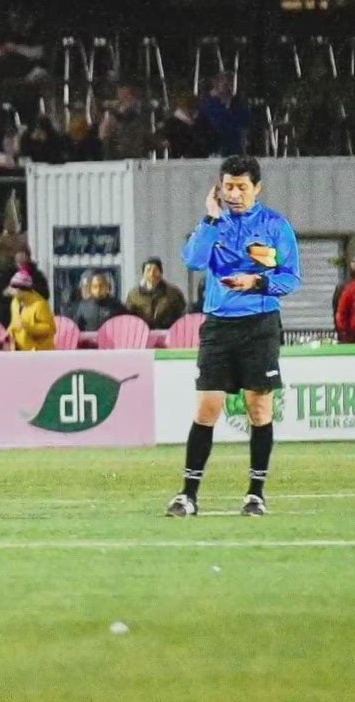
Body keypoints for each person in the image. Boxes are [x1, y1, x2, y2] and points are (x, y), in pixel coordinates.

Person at [169, 155, 299, 518]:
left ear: (257, 188)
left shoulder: (275, 225)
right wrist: (210, 216)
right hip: (218, 326)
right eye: (228, 186)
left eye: (242, 187)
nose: (235, 193)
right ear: (219, 187)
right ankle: (187, 495)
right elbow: (193, 260)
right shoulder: (214, 223)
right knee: (207, 407)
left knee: (259, 408)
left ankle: (255, 494)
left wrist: (256, 281)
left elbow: (291, 278)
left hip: (260, 324)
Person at [198, 73, 254, 156]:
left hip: (233, 148)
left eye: (231, 84)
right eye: (225, 84)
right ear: (215, 84)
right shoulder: (205, 103)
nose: (229, 87)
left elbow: (244, 127)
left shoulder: (237, 105)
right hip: (212, 147)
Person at [126, 258, 188, 330]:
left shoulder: (173, 293)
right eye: (148, 270)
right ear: (143, 273)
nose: (152, 274)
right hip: (142, 334)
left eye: (155, 270)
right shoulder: (134, 295)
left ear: (161, 272)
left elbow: (181, 314)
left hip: (168, 332)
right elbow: (129, 317)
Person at [98, 84, 151, 160]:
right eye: (120, 89)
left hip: (135, 153)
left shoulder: (141, 110)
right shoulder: (112, 111)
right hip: (116, 155)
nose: (120, 92)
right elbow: (103, 135)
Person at [6, 271, 55, 351]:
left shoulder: (39, 304)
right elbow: (15, 322)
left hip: (40, 351)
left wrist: (29, 327)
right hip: (20, 350)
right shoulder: (15, 302)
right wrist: (9, 331)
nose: (10, 290)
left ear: (21, 289)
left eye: (13, 287)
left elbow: (50, 329)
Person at [155, 94, 212, 159]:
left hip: (202, 159)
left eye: (193, 105)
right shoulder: (171, 122)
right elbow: (162, 141)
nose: (191, 108)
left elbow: (209, 138)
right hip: (178, 160)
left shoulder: (202, 122)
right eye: (188, 105)